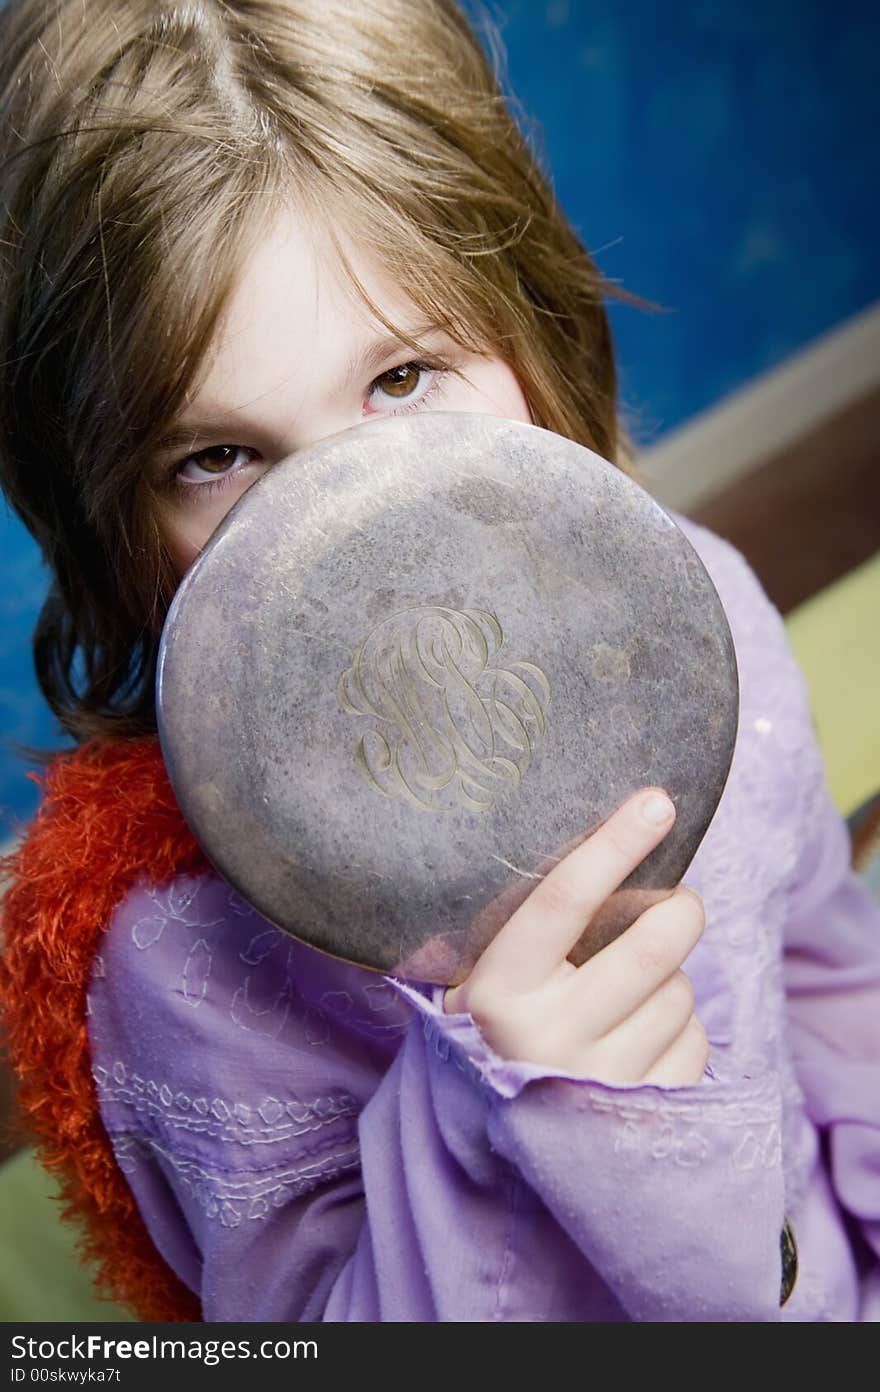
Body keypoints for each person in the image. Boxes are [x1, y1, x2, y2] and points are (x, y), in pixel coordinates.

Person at [0, 0, 877, 1323]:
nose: (350, 535)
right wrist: (494, 1099)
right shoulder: (183, 968)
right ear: (110, 521)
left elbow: (828, 970)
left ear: (529, 333)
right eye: (215, 456)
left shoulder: (716, 638)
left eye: (402, 378)